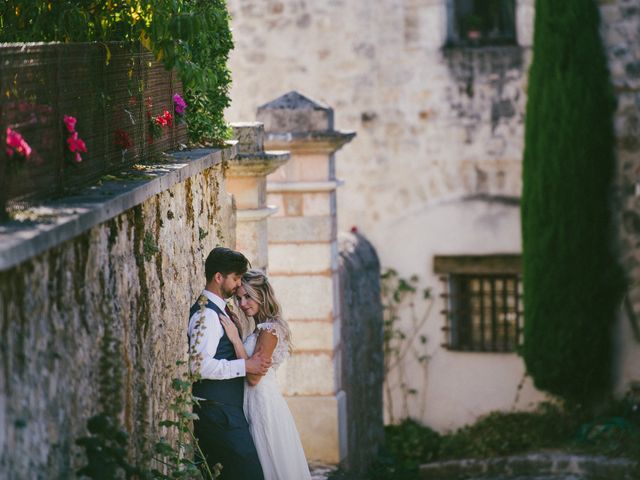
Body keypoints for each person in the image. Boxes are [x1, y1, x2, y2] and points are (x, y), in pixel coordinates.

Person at [220, 269, 312, 480]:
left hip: (263, 403)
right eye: (239, 298)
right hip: (252, 400)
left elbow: (253, 377)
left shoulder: (269, 330)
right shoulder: (259, 329)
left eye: (248, 297)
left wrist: (235, 339)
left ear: (261, 295)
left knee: (269, 462)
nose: (243, 304)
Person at [188, 247, 271, 480]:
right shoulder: (206, 315)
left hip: (225, 411)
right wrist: (245, 366)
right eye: (235, 278)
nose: (238, 285)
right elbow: (198, 367)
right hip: (218, 413)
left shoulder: (217, 311)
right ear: (218, 277)